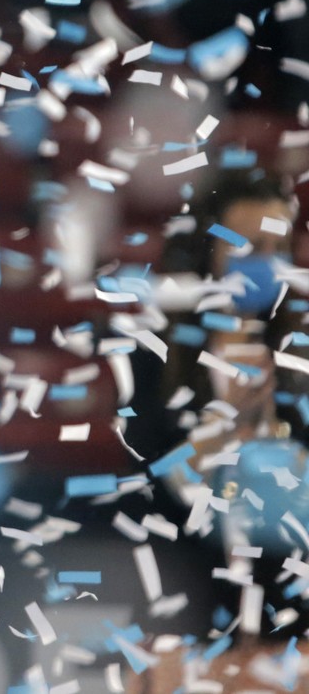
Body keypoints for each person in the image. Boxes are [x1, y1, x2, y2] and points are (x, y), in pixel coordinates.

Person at [124, 167, 309, 692]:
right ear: (207, 254)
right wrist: (225, 426)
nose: (266, 264)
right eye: (248, 246)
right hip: (182, 605)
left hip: (288, 618)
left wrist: (268, 426)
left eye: (278, 246)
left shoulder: (304, 361)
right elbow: (150, 490)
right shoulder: (151, 358)